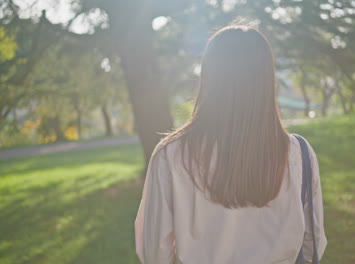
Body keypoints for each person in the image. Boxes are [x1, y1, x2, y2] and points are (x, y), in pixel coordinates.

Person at [134, 25, 327, 264]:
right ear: (267, 79)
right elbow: (312, 242)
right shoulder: (298, 154)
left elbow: (155, 254)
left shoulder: (170, 155)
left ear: (209, 77)